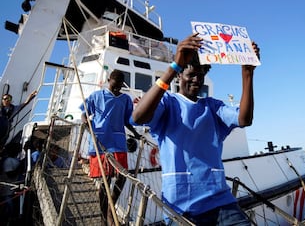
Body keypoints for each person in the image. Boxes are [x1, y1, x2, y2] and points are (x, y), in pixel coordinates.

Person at [131, 33, 260, 225]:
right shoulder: (168, 103)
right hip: (181, 208)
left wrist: (248, 74)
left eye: (201, 75)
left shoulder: (213, 107)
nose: (196, 80)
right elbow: (138, 117)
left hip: (221, 202)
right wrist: (174, 66)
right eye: (191, 74)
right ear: (179, 75)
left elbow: (244, 118)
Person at [80, 69, 140, 225]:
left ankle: (111, 204)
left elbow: (127, 120)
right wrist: (85, 120)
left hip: (118, 142)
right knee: (104, 181)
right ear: (109, 80)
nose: (116, 89)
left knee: (122, 176)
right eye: (114, 86)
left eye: (119, 87)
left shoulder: (125, 99)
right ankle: (103, 216)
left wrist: (135, 133)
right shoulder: (96, 96)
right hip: (100, 141)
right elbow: (83, 111)